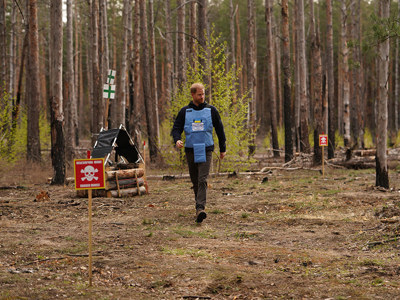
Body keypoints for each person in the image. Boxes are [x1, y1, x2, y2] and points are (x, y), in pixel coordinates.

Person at [171, 83, 226, 223]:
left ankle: (200, 208)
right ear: (193, 95)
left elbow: (220, 129)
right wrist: (177, 140)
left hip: (206, 149)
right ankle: (198, 208)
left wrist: (222, 148)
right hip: (190, 150)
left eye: (203, 94)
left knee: (202, 179)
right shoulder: (185, 111)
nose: (202, 97)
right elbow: (176, 128)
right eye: (199, 94)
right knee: (195, 181)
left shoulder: (211, 110)